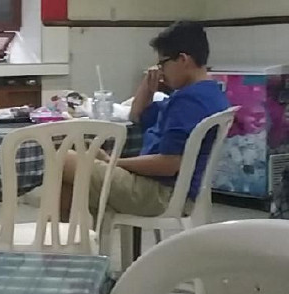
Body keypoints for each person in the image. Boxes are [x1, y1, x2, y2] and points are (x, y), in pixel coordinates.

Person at [70, 20, 228, 219]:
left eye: (163, 64)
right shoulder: (207, 93)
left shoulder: (188, 101)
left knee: (65, 160)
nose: (161, 71)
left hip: (162, 194)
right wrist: (147, 86)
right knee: (70, 189)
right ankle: (81, 237)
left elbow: (168, 164)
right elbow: (137, 115)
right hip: (171, 190)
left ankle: (75, 237)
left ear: (183, 60)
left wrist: (113, 162)